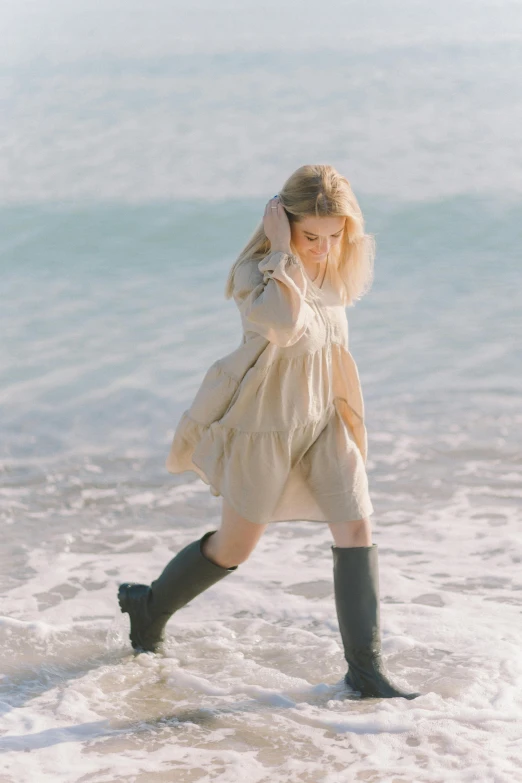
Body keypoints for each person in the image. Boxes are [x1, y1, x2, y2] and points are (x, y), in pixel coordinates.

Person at [118, 164, 421, 700]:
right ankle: (150, 607)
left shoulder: (332, 269)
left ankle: (367, 673)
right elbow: (283, 327)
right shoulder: (259, 272)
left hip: (323, 419)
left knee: (356, 530)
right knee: (236, 546)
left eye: (335, 236)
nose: (324, 248)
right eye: (311, 236)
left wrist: (313, 250)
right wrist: (283, 252)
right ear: (284, 223)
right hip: (266, 426)